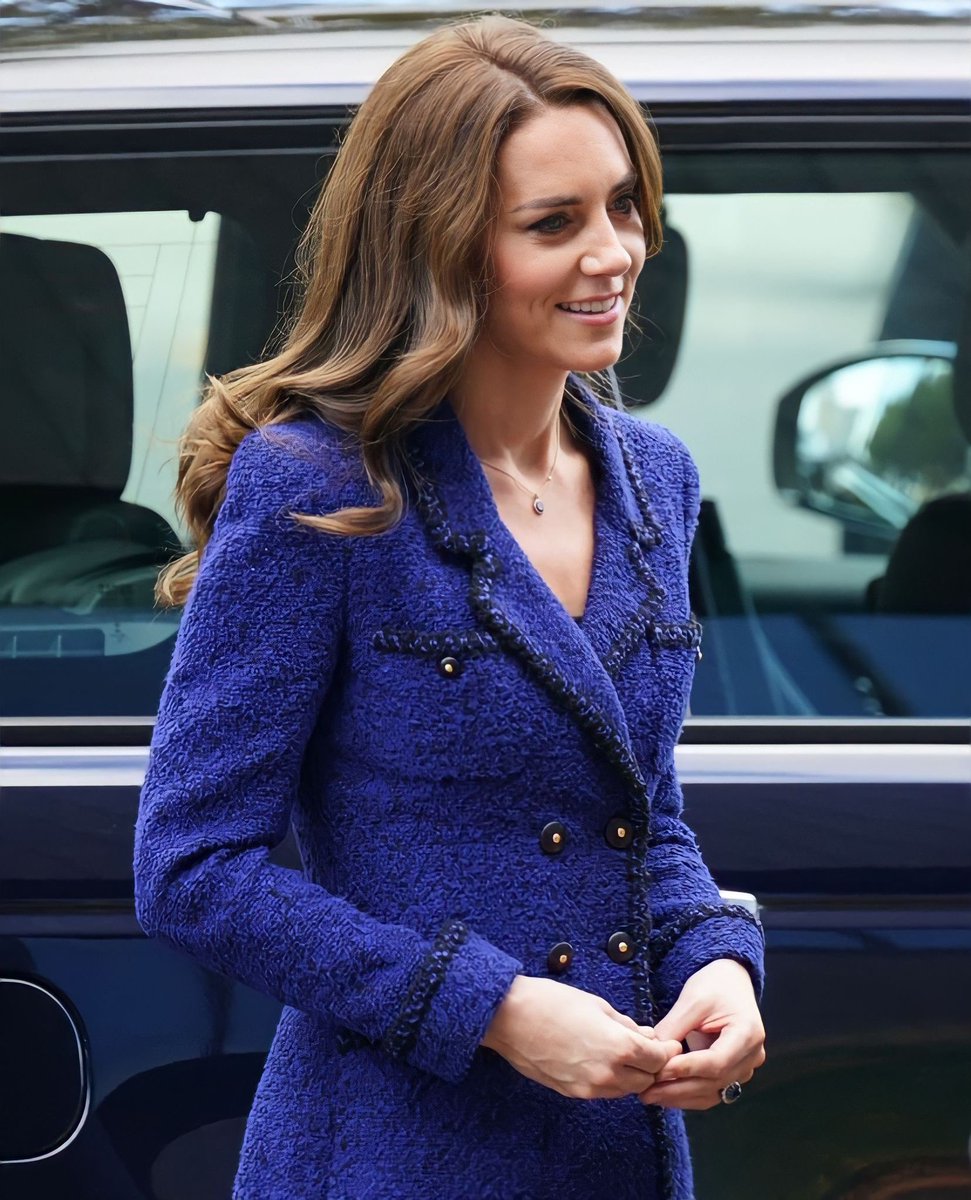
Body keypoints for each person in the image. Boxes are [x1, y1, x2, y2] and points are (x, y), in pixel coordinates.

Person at [133, 14, 766, 1199]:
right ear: (441, 250)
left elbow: (640, 816)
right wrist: (493, 1009)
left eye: (622, 205)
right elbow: (192, 870)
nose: (613, 253)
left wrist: (715, 962)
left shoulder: (656, 479)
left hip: (615, 1159)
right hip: (388, 1153)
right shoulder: (318, 486)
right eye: (552, 223)